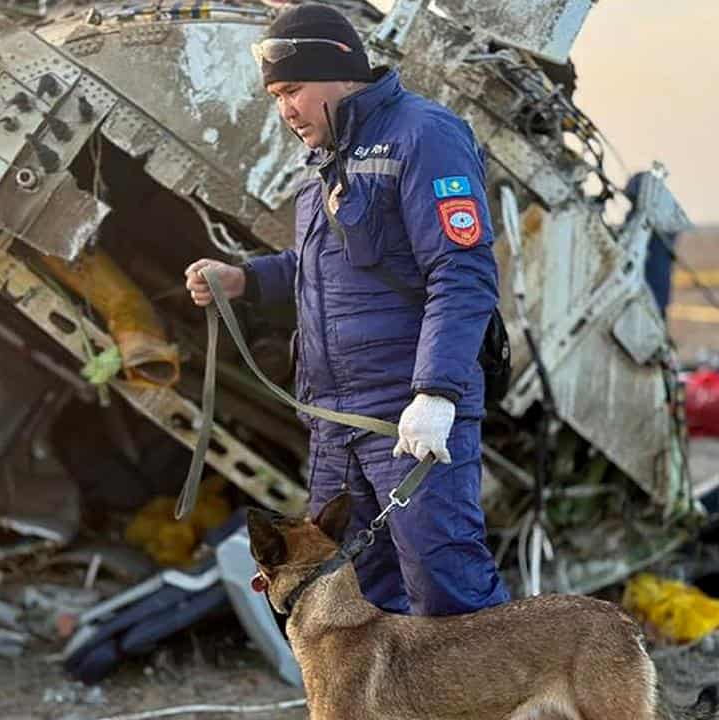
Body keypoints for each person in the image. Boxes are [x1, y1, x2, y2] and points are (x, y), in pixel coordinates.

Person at [185, 4, 508, 616]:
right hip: (335, 427)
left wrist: (436, 394)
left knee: (448, 593)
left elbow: (461, 270)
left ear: (339, 70)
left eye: (293, 90)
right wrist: (245, 280)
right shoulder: (326, 161)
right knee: (351, 606)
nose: (286, 110)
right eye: (276, 96)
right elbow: (324, 269)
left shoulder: (425, 135)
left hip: (406, 420)